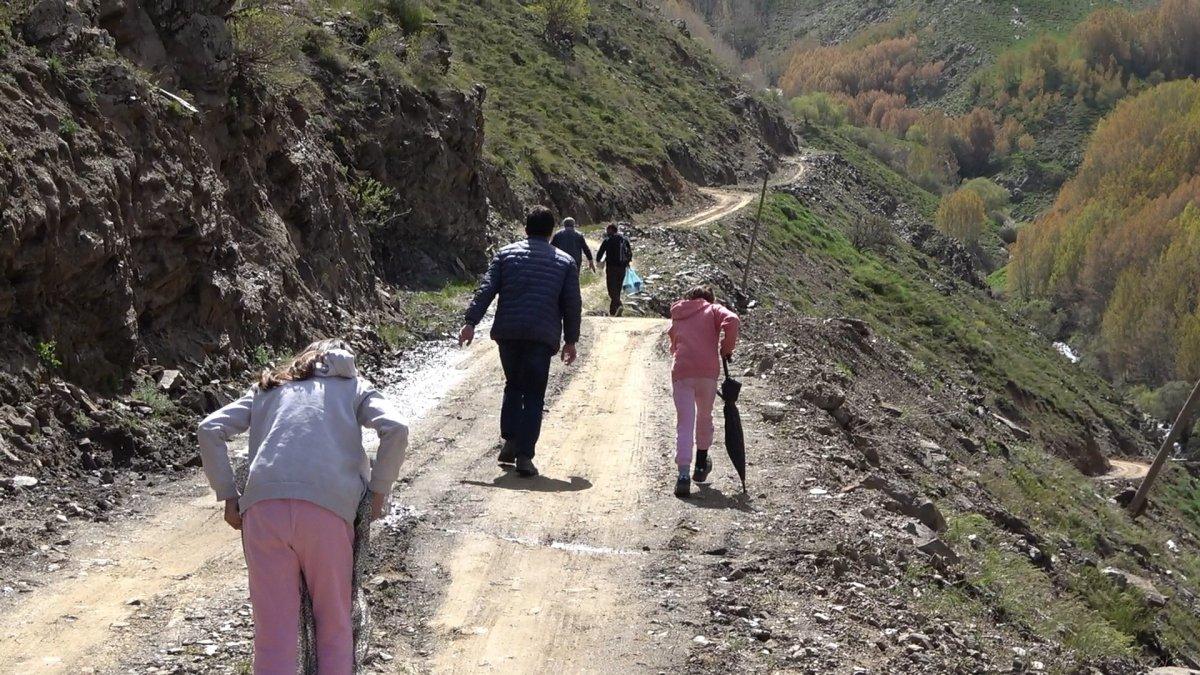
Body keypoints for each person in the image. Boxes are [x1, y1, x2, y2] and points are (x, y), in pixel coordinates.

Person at [196, 339, 408, 675]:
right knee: (334, 625)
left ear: (303, 359)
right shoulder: (354, 386)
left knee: (273, 632)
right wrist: (379, 491)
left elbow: (209, 429)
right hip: (327, 513)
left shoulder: (269, 387)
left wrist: (228, 494)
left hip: (263, 511)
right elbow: (395, 428)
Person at [459, 206, 583, 478]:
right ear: (552, 233)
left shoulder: (505, 254)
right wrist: (571, 340)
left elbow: (486, 289)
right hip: (541, 336)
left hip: (509, 333)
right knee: (534, 394)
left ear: (526, 228)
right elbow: (572, 304)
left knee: (513, 386)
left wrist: (470, 322)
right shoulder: (564, 262)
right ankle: (525, 455)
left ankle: (511, 440)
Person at [667, 286, 739, 498]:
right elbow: (733, 320)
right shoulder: (713, 309)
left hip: (682, 372)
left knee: (684, 423)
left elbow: (673, 343)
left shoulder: (678, 313)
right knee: (704, 417)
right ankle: (700, 465)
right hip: (707, 372)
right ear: (709, 299)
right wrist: (726, 348)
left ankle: (682, 476)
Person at [596, 223, 633, 316]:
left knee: (611, 289)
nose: (606, 232)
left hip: (611, 268)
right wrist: (627, 262)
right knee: (618, 288)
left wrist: (598, 261)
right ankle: (613, 311)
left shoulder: (608, 240)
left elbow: (600, 252)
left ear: (611, 230)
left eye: (607, 230)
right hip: (622, 268)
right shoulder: (624, 240)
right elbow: (630, 253)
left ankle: (619, 304)